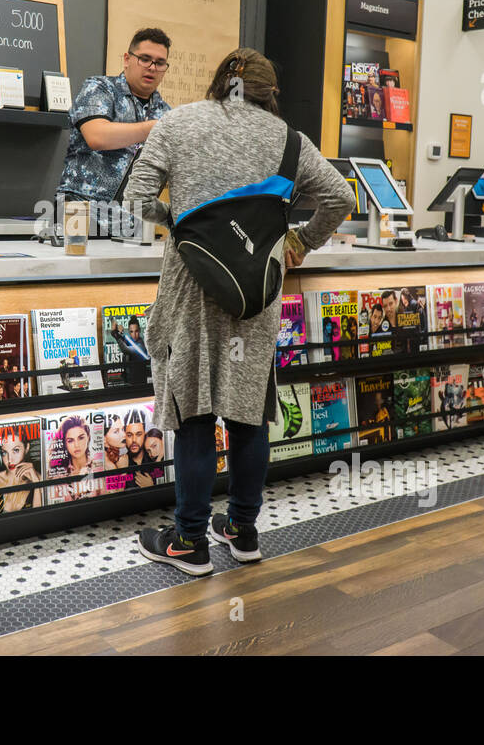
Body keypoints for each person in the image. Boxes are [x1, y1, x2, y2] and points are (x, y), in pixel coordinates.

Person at [124, 47, 355, 575]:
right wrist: (299, 241)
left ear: (217, 81)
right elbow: (340, 196)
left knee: (195, 411)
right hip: (258, 290)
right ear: (269, 91)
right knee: (248, 411)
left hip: (190, 288)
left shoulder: (177, 122)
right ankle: (243, 532)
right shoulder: (290, 140)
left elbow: (135, 199)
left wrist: (181, 221)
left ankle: (188, 542)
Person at [57, 27, 174, 236]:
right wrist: (155, 128)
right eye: (145, 59)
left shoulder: (165, 113)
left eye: (160, 62)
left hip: (133, 226)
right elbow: (97, 137)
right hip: (82, 215)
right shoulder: (100, 88)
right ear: (127, 59)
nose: (152, 67)